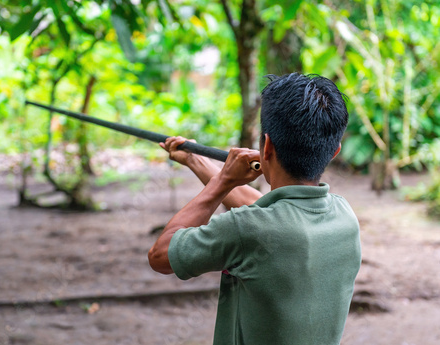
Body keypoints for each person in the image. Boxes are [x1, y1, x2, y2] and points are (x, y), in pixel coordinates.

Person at [148, 73, 361, 345]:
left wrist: (225, 180)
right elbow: (267, 212)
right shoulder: (344, 215)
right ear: (334, 151)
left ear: (267, 146)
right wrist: (196, 161)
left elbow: (161, 256)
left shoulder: (248, 229)